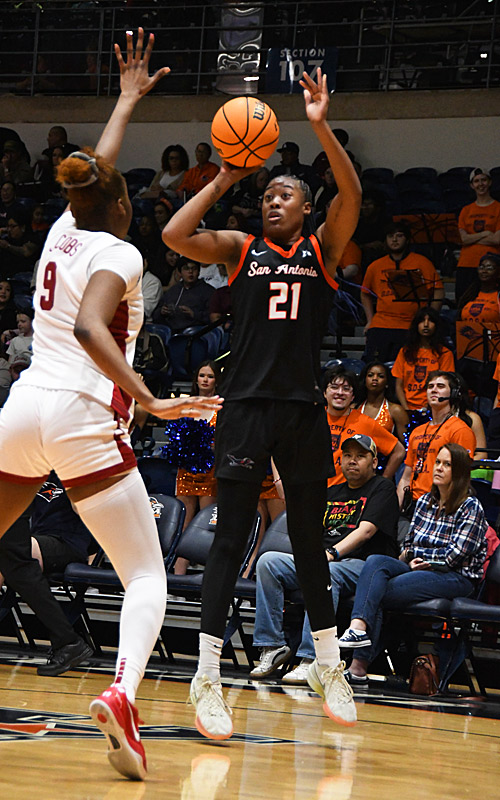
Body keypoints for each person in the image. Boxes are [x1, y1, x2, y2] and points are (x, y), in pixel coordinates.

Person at [0, 29, 222, 782]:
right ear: (126, 202)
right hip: (81, 415)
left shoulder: (64, 227)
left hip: (21, 410)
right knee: (147, 576)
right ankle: (123, 692)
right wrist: (151, 400)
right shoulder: (121, 252)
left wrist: (126, 99)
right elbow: (95, 327)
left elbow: (90, 174)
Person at [163, 67, 362, 736]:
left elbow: (353, 192)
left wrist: (318, 125)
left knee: (308, 539)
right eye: (268, 194)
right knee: (229, 542)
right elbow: (173, 236)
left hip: (304, 410)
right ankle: (206, 676)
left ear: (305, 207)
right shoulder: (240, 247)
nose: (273, 202)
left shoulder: (322, 249)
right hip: (246, 406)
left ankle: (329, 664)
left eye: (285, 195)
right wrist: (225, 175)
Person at [250, 435, 399, 685]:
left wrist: (331, 554)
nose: (353, 461)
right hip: (323, 560)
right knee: (268, 562)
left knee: (324, 573)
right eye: (348, 456)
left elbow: (366, 531)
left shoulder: (382, 489)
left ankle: (312, 658)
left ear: (374, 462)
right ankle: (272, 645)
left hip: (363, 565)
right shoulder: (331, 492)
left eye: (361, 456)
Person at [339, 443, 487, 683]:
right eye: (437, 462)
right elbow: (408, 544)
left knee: (377, 592)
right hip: (416, 566)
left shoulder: (470, 506)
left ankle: (358, 666)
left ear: (459, 472)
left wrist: (423, 558)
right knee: (376, 562)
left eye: (447, 464)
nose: (438, 468)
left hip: (457, 577)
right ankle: (357, 630)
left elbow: (455, 555)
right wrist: (412, 558)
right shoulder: (426, 501)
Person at [0, 472, 94, 676]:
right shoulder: (37, 470)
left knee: (16, 562)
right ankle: (67, 640)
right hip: (36, 537)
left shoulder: (74, 467)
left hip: (67, 543)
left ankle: (68, 640)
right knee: (15, 565)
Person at [397, 371, 476, 520]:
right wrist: (396, 510)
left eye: (440, 386)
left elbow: (461, 477)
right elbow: (406, 476)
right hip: (413, 503)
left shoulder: (460, 430)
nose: (434, 390)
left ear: (453, 394)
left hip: (440, 505)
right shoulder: (417, 431)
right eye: (430, 386)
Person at [361, 222, 444, 363]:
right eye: (390, 236)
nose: (394, 240)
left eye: (399, 236)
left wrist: (428, 319)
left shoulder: (422, 262)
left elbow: (438, 290)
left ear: (407, 239)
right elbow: (365, 293)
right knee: (374, 366)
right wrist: (370, 320)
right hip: (381, 324)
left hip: (410, 325)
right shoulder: (375, 266)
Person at [174, 360, 220, 575]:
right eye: (202, 375)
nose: (205, 380)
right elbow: (175, 436)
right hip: (186, 470)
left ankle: (207, 577)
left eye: (210, 376)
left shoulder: (221, 406)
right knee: (183, 522)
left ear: (216, 380)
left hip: (210, 471)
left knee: (207, 524)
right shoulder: (186, 404)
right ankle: (177, 577)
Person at [323, 365, 405, 485]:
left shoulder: (366, 423)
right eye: (334, 387)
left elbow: (399, 451)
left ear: (353, 396)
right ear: (324, 393)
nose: (340, 393)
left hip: (348, 497)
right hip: (312, 492)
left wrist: (382, 482)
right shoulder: (312, 419)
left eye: (346, 389)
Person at [392, 307, 455, 413]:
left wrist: (427, 408)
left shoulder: (445, 353)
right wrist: (407, 410)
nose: (426, 324)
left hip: (434, 409)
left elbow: (444, 385)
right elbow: (399, 385)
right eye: (422, 321)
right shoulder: (405, 352)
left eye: (430, 321)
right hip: (407, 408)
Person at [456, 169, 500, 303]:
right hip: (466, 264)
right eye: (476, 181)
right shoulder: (466, 210)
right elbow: (462, 239)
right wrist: (485, 233)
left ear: (490, 182)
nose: (480, 184)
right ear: (471, 185)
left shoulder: (498, 208)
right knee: (463, 304)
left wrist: (472, 238)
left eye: (484, 180)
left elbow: (497, 239)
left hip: (490, 266)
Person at [153, 257, 214, 331]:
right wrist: (161, 312)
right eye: (186, 268)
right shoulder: (174, 290)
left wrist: (194, 314)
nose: (190, 272)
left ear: (198, 271)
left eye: (194, 268)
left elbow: (213, 317)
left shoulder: (208, 291)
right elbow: (155, 314)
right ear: (180, 272)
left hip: (195, 332)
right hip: (170, 331)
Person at [356, 361, 408, 443]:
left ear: (387, 383)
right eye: (370, 375)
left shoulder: (396, 411)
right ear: (364, 381)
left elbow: (407, 444)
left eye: (380, 376)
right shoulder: (354, 408)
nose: (375, 379)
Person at [0, 209, 40, 279]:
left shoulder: (33, 238)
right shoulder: (7, 238)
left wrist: (8, 246)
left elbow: (26, 252)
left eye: (13, 226)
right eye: (8, 226)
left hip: (25, 275)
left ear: (23, 227)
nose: (9, 229)